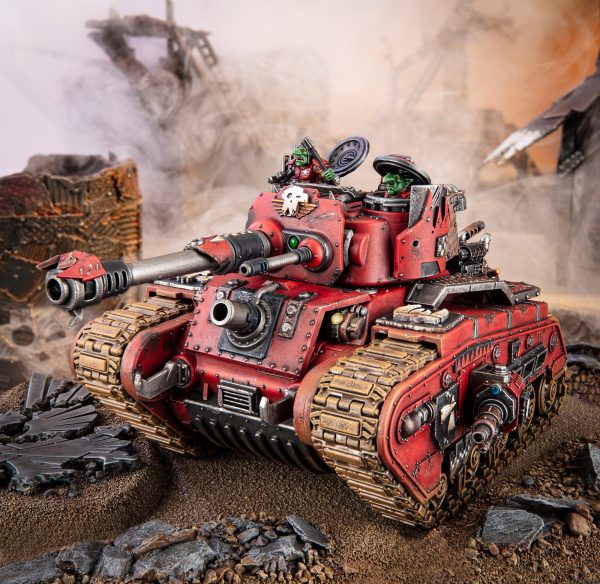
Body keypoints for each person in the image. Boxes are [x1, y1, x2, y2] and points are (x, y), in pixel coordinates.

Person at [269, 144, 336, 185]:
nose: (298, 158)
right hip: (296, 190)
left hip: (313, 190)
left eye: (300, 156)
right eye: (297, 156)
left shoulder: (314, 167)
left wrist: (327, 176)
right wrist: (276, 178)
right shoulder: (294, 167)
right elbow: (285, 177)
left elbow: (325, 179)